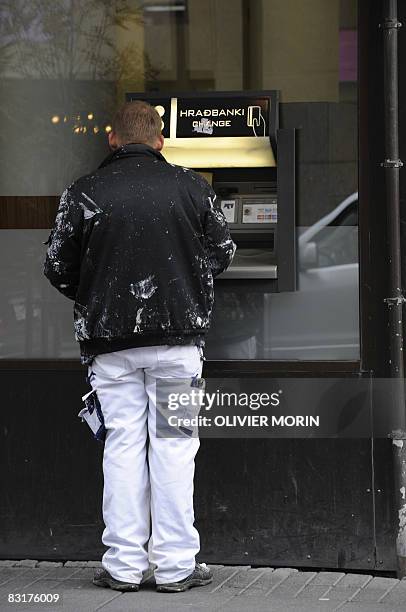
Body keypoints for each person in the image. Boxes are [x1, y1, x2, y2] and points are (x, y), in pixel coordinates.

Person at [43, 100, 235, 593]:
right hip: (177, 345)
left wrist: (98, 292)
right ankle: (175, 567)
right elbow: (222, 253)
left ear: (112, 139)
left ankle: (124, 566)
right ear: (159, 141)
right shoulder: (193, 187)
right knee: (174, 448)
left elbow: (57, 268)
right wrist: (186, 286)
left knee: (123, 446)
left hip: (110, 347)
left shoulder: (83, 193)